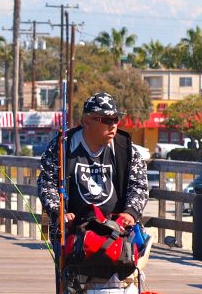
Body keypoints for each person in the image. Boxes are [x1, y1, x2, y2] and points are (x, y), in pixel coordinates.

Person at [37, 92, 149, 260]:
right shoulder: (62, 147)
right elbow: (47, 183)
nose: (112, 125)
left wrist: (130, 213)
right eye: (106, 120)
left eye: (115, 120)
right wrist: (59, 212)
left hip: (117, 229)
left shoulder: (125, 149)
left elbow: (139, 185)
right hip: (75, 230)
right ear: (87, 122)